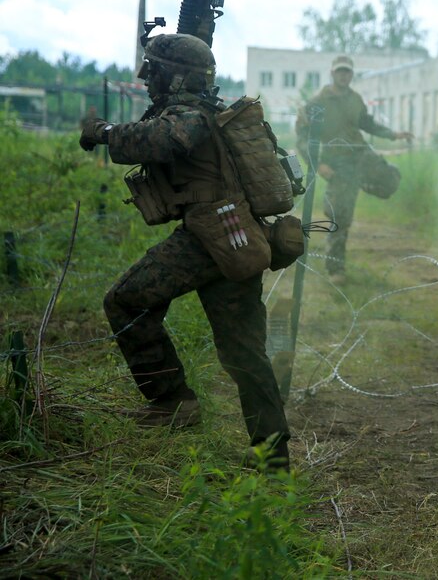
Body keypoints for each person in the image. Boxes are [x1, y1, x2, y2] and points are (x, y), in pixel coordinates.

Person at [79, 33, 291, 470]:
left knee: (125, 300)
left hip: (211, 238)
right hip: (238, 241)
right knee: (243, 353)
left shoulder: (191, 115)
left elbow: (164, 140)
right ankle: (273, 460)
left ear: (172, 77)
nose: (145, 79)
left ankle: (173, 402)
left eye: (152, 70)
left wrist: (104, 132)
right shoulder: (206, 109)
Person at [295, 55, 413, 283]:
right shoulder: (317, 103)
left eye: (347, 72)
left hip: (361, 154)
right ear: (332, 73)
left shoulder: (355, 99)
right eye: (340, 71)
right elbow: (302, 139)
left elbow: (367, 123)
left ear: (351, 74)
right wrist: (318, 165)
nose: (343, 75)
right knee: (340, 216)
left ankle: (360, 183)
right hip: (337, 163)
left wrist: (393, 134)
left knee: (390, 179)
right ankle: (336, 270)